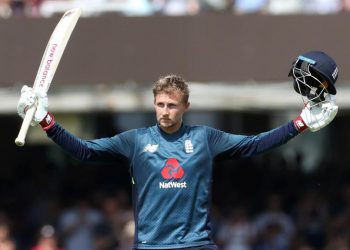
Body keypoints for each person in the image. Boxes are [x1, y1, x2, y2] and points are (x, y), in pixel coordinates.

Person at [17, 51, 339, 250]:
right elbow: (84, 151)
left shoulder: (205, 139)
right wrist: (46, 120)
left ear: (186, 106)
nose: (165, 111)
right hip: (151, 246)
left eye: (172, 105)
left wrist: (298, 124)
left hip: (196, 245)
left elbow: (253, 145)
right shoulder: (136, 140)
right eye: (160, 104)